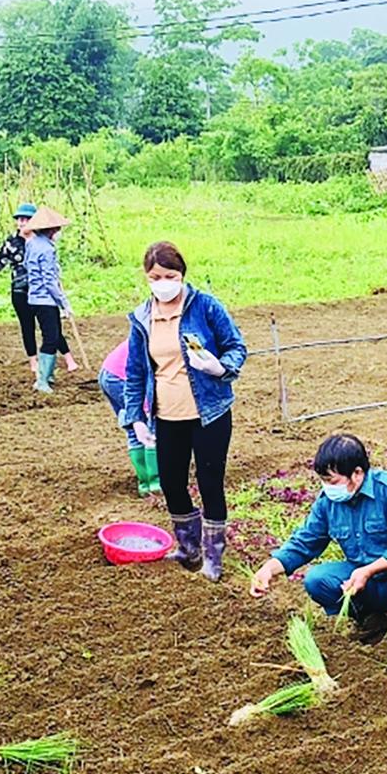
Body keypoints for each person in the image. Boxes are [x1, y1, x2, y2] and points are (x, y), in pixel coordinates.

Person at [120, 241, 247, 583]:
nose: (163, 282)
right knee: (172, 484)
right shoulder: (142, 318)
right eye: (155, 276)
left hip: (209, 412)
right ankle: (189, 548)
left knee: (209, 483)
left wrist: (221, 368)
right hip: (167, 415)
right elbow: (134, 371)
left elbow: (237, 345)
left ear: (182, 274)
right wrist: (134, 417)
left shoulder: (205, 306)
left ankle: (213, 557)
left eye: (170, 275)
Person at [249, 434, 387, 639]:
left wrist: (369, 570)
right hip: (362, 583)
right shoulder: (328, 503)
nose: (327, 487)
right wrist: (270, 568)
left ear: (357, 473)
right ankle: (371, 620)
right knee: (317, 579)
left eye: (332, 480)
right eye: (323, 481)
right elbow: (305, 541)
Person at [21, 207, 79, 394]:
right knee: (51, 338)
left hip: (34, 298)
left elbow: (26, 266)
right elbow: (49, 281)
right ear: (51, 230)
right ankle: (42, 380)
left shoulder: (31, 243)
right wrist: (64, 302)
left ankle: (49, 374)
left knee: (51, 335)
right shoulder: (46, 249)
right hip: (46, 300)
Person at [99, 336, 158, 495]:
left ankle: (145, 485)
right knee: (151, 425)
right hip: (124, 377)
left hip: (110, 372)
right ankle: (156, 483)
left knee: (134, 427)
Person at [0, 201, 40, 358]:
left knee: (48, 325)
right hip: (20, 290)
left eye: (26, 219)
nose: (22, 222)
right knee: (27, 326)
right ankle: (33, 361)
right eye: (20, 219)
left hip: (40, 289)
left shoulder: (41, 240)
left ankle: (54, 358)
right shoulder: (11, 242)